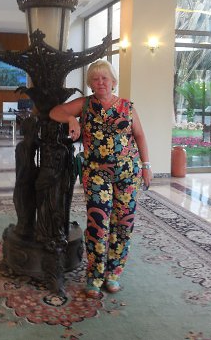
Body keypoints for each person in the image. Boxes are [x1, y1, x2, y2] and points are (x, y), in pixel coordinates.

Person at [49, 59, 152, 298]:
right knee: (98, 225)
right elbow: (55, 112)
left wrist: (146, 166)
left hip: (128, 173)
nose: (100, 82)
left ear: (113, 81)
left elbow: (139, 136)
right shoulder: (85, 104)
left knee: (123, 224)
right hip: (96, 174)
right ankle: (95, 276)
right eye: (95, 79)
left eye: (105, 78)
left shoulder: (127, 106)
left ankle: (113, 273)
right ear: (90, 83)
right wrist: (71, 119)